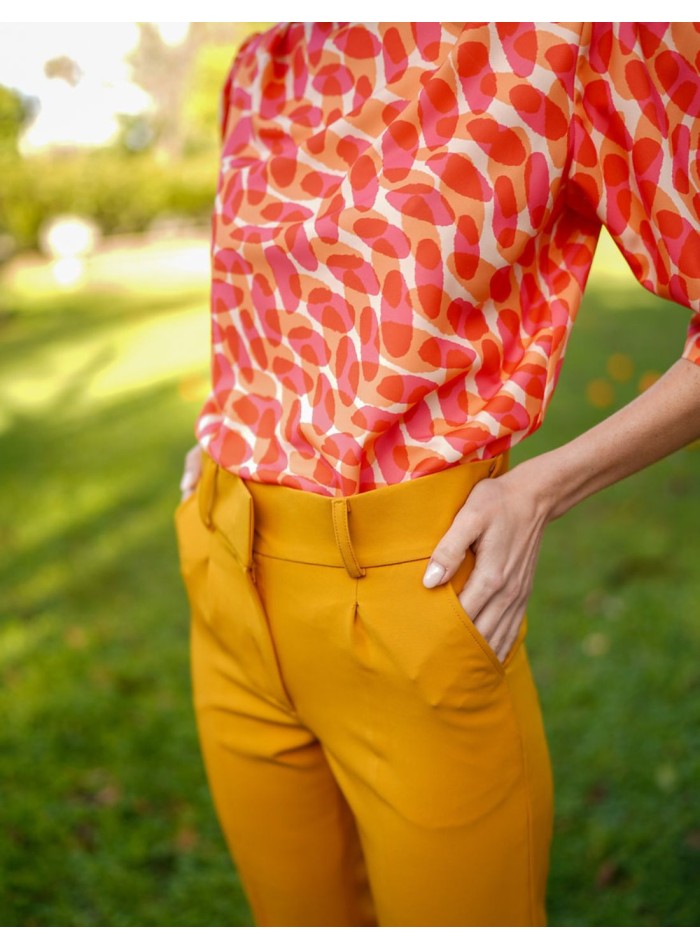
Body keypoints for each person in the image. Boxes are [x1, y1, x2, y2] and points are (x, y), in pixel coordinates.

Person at [174, 22, 700, 926]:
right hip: (222, 579)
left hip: (411, 596)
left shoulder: (580, 31)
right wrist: (231, 420)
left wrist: (540, 487)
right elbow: (269, 296)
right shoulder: (266, 58)